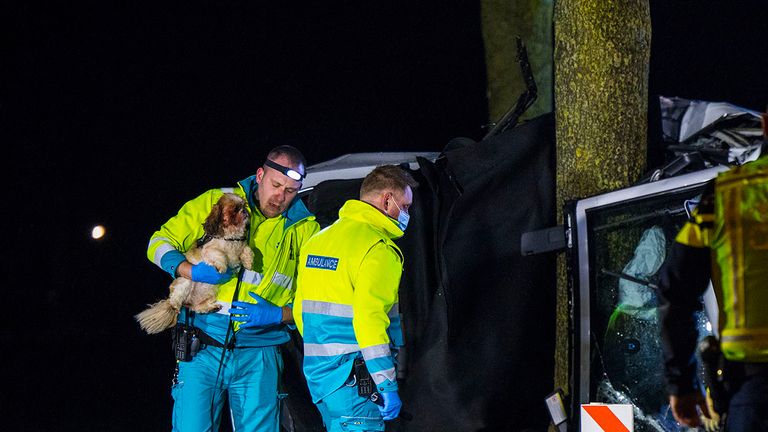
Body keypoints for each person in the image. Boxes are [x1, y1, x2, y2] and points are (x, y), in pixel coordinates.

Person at [146, 145, 320, 431]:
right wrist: (189, 270)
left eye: (291, 190)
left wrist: (279, 315)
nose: (280, 196)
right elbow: (158, 242)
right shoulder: (220, 201)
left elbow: (314, 301)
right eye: (276, 185)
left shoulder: (306, 230)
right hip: (202, 345)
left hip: (260, 351)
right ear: (260, 175)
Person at [293, 165, 418, 431]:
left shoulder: (318, 240)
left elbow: (299, 312)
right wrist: (386, 383)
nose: (406, 214)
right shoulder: (378, 249)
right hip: (356, 383)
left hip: (321, 380)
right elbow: (370, 321)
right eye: (405, 206)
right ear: (387, 200)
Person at [658, 149, 768, 431]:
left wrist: (682, 382)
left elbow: (675, 288)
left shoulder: (725, 194)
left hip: (755, 394)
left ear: (765, 123)